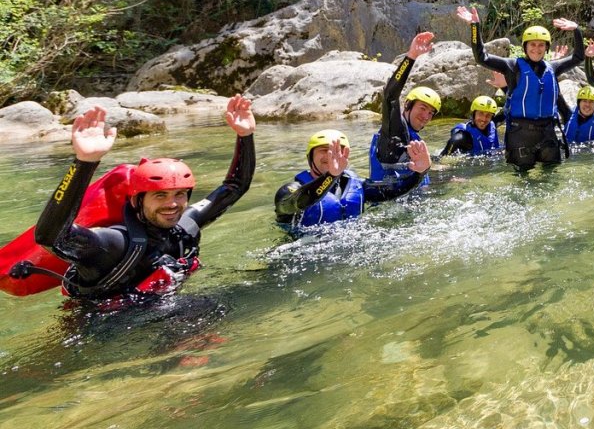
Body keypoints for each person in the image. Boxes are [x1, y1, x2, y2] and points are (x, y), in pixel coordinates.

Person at [32, 96, 256, 301]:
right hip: (99, 330)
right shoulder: (115, 244)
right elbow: (51, 237)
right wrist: (85, 162)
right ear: (136, 201)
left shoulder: (185, 227)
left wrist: (245, 136)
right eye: (160, 195)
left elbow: (235, 187)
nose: (172, 204)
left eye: (179, 194)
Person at [454, 5, 584, 170]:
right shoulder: (512, 66)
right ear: (525, 47)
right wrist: (475, 27)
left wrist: (576, 30)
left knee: (551, 180)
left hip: (548, 133)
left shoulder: (553, 67)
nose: (536, 49)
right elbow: (481, 57)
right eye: (532, 45)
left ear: (546, 48)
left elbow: (578, 57)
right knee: (523, 181)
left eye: (541, 45)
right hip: (520, 135)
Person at [275, 131, 431, 231]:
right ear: (310, 157)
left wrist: (419, 172)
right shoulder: (291, 190)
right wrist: (331, 175)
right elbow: (296, 202)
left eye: (338, 151)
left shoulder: (356, 186)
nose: (331, 155)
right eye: (324, 150)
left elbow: (394, 191)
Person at [369, 32, 441, 184]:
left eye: (430, 113)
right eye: (422, 108)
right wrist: (411, 57)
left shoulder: (413, 137)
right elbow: (390, 97)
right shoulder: (395, 131)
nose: (426, 116)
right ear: (408, 105)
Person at [438, 96, 503, 157]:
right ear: (473, 114)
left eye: (488, 115)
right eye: (481, 113)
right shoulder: (463, 136)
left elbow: (509, 111)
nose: (484, 119)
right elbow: (452, 142)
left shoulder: (492, 124)